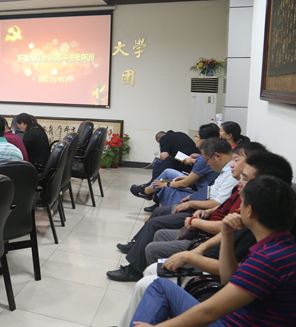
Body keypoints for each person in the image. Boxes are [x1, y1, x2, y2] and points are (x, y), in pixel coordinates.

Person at [117, 151, 293, 327]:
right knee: (157, 283)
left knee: (151, 284)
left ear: (249, 211)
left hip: (226, 321)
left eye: (245, 180)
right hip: (225, 300)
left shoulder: (268, 259)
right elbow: (228, 277)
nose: (240, 183)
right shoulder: (277, 244)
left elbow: (209, 312)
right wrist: (226, 233)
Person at [107, 138, 238, 282]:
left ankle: (133, 270)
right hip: (200, 206)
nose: (206, 163)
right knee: (159, 211)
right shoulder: (227, 170)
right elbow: (212, 193)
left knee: (155, 223)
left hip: (199, 214)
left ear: (217, 156)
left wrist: (191, 204)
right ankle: (137, 245)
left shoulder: (232, 175)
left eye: (207, 160)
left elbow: (216, 202)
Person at [140, 123, 220, 212]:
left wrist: (167, 184)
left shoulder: (204, 159)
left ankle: (148, 193)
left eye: (197, 136)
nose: (195, 139)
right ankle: (150, 196)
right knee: (165, 172)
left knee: (166, 183)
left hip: (201, 192)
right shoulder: (210, 154)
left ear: (203, 141)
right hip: (201, 187)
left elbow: (186, 183)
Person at [131, 130, 199, 199]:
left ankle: (149, 190)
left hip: (188, 167)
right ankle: (151, 187)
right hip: (191, 165)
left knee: (164, 163)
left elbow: (164, 157)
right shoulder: (181, 134)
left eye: (197, 137)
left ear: (159, 141)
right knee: (160, 162)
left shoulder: (164, 138)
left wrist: (162, 147)